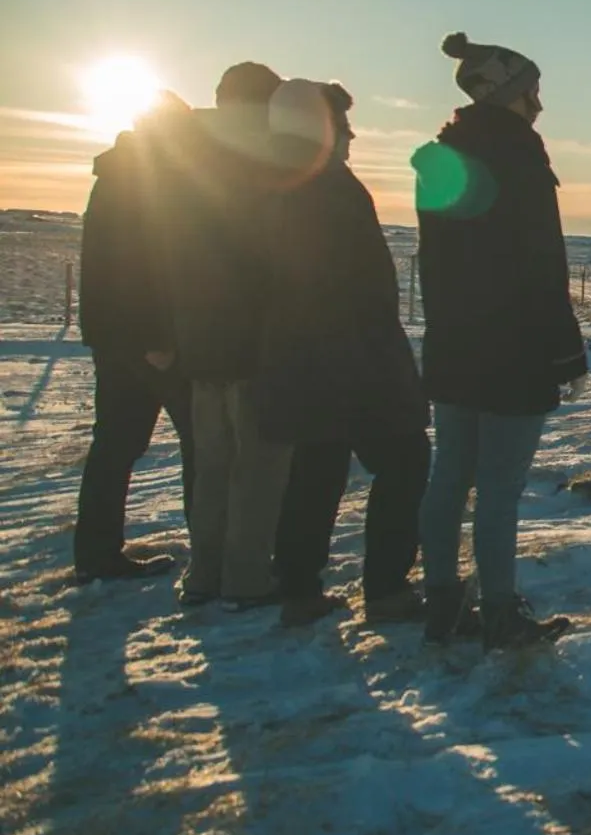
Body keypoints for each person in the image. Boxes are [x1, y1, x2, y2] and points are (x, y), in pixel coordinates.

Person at [413, 32, 585, 650]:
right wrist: (565, 350)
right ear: (510, 93)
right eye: (531, 88)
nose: (539, 101)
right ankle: (497, 613)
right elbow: (543, 265)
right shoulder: (520, 158)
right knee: (499, 488)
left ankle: (440, 602)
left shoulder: (440, 159)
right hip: (513, 348)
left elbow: (435, 264)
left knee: (450, 476)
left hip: (455, 343)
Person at [256, 81, 431, 628]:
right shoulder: (321, 185)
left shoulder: (272, 181)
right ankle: (385, 589)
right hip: (351, 359)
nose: (351, 136)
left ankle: (299, 587)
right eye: (342, 125)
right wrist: (376, 356)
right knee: (405, 461)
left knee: (316, 469)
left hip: (305, 358)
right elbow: (343, 283)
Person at [154, 61, 297, 611]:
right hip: (255, 342)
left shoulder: (185, 156)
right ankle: (246, 580)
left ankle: (203, 574)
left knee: (210, 466)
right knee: (257, 470)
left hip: (200, 339)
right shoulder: (264, 159)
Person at [73, 93, 195, 583]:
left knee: (115, 446)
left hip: (114, 336)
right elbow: (140, 265)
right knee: (197, 441)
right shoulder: (144, 179)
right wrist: (157, 339)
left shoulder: (118, 175)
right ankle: (212, 553)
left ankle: (96, 553)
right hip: (148, 341)